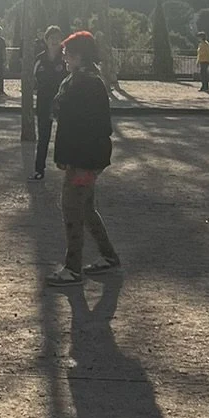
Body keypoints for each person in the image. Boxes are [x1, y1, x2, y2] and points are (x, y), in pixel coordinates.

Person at [45, 31, 120, 284]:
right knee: (86, 209)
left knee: (71, 208)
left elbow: (76, 126)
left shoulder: (82, 83)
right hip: (87, 155)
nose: (63, 57)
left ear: (78, 55)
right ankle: (108, 256)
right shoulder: (86, 80)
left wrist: (69, 157)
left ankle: (73, 268)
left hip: (83, 157)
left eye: (67, 53)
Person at [31, 24, 67, 181]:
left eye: (57, 38)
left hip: (63, 103)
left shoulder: (66, 58)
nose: (54, 41)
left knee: (65, 136)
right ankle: (39, 170)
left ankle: (67, 168)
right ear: (46, 40)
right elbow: (34, 80)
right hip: (43, 103)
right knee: (43, 137)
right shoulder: (39, 59)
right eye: (51, 38)